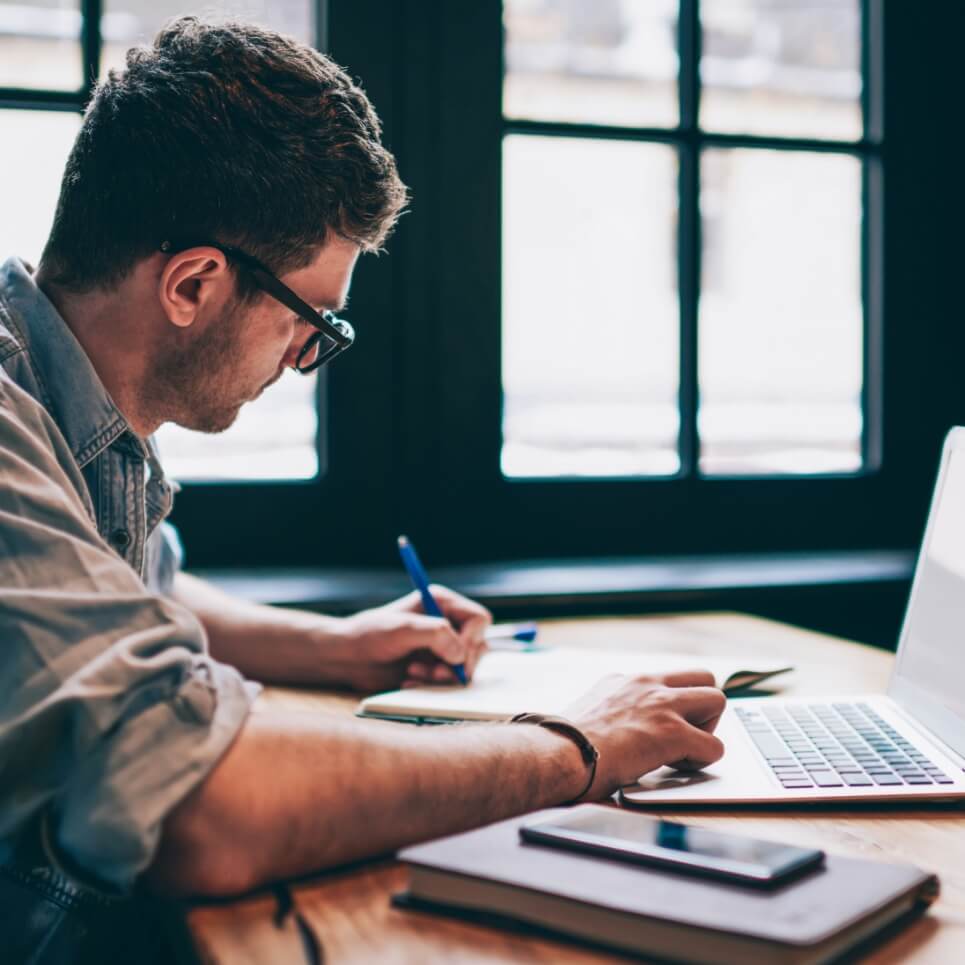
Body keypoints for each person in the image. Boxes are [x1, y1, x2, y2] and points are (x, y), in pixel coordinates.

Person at [0, 16, 725, 959]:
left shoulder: (65, 407)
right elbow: (204, 808)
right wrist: (573, 744)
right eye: (314, 319)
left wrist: (340, 649)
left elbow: (130, 594)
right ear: (191, 285)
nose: (310, 355)